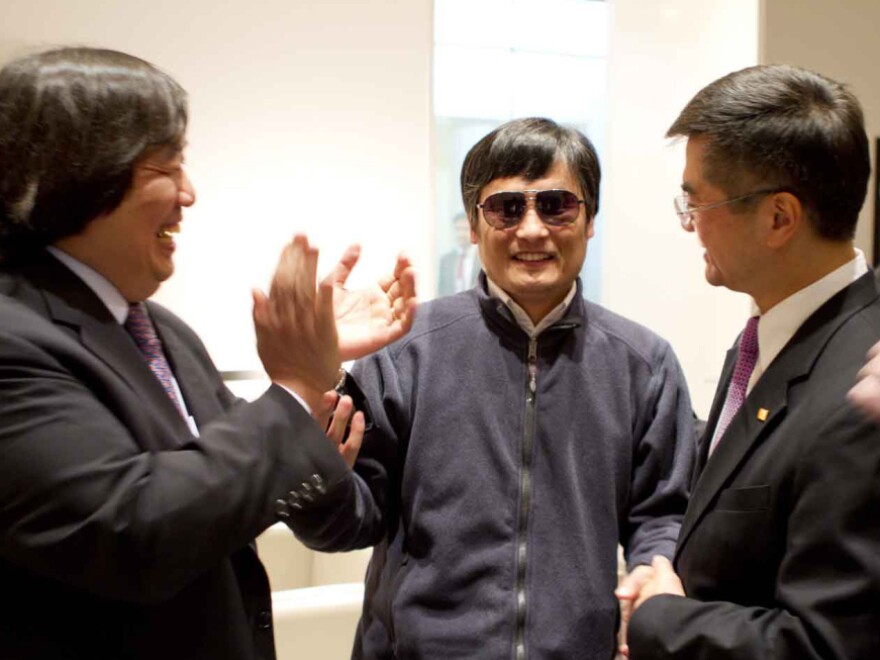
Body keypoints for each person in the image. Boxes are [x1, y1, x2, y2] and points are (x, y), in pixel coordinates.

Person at [0, 47, 416, 660]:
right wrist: (296, 391)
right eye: (167, 165)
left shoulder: (161, 330)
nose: (188, 193)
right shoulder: (14, 339)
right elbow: (133, 535)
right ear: (78, 170)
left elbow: (232, 497)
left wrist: (313, 390)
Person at [306, 117, 695, 659]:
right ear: (473, 223)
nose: (532, 229)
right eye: (507, 208)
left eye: (557, 205)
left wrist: (655, 579)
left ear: (589, 221)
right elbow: (345, 524)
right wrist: (315, 465)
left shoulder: (644, 364)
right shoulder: (404, 351)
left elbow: (662, 514)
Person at [626, 65, 880, 659]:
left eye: (697, 202)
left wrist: (661, 619)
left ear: (778, 218)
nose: (690, 225)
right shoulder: (769, 345)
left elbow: (827, 644)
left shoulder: (861, 394)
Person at [437, 211, 481, 296]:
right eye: (458, 229)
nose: (461, 233)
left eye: (464, 229)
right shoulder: (446, 261)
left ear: (473, 231)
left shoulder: (482, 259)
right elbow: (441, 293)